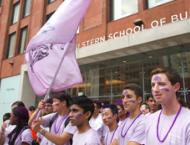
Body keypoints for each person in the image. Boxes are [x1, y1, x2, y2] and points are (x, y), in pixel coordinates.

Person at [145, 67, 190, 145]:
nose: (155, 89)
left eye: (161, 84)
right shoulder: (150, 120)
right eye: (153, 85)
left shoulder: (187, 120)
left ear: (176, 87)